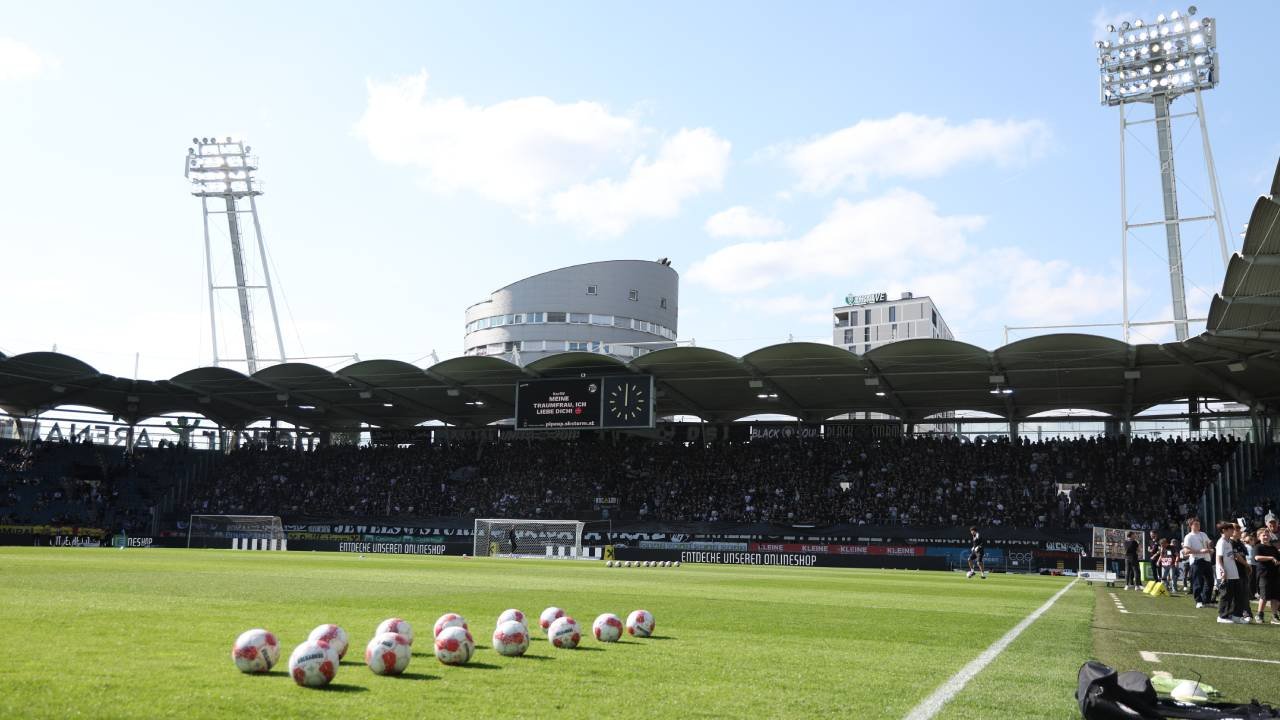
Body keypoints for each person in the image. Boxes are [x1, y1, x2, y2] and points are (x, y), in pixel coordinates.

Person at [1215, 521, 1248, 624]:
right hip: (1226, 574)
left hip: (1234, 573)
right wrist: (1223, 571)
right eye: (1231, 529)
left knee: (1238, 595)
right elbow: (1219, 558)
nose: (1233, 531)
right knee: (1226, 596)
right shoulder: (1221, 542)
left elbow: (1235, 555)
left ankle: (1236, 616)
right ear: (1224, 530)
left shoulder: (1229, 542)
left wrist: (1246, 565)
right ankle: (1222, 616)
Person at [1182, 517, 1214, 608]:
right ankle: (1198, 601)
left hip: (1207, 560)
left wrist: (1210, 549)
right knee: (1197, 582)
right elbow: (1186, 551)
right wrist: (1200, 551)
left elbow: (1208, 543)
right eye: (1196, 524)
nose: (1198, 526)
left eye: (1199, 524)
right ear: (1190, 526)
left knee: (1210, 581)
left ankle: (1206, 601)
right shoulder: (1188, 536)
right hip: (1197, 561)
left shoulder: (1203, 534)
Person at [1253, 528, 1280, 624]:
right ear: (1259, 537)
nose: (1266, 537)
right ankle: (1259, 615)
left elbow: (1278, 560)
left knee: (1275, 597)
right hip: (1264, 575)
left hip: (1275, 575)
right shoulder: (1258, 547)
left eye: (1267, 535)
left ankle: (1274, 616)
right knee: (1264, 596)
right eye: (1263, 535)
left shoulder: (1273, 548)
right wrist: (1271, 558)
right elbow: (1257, 557)